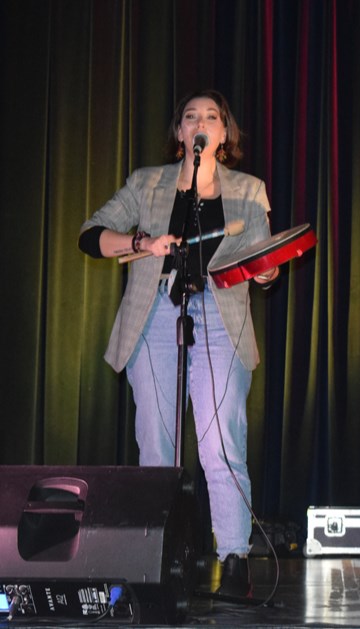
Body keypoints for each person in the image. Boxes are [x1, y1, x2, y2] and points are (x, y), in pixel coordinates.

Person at [79, 89, 279, 598]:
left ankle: (233, 556)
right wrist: (142, 243)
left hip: (220, 316)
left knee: (221, 441)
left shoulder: (250, 191)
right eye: (191, 117)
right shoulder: (146, 183)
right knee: (157, 438)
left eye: (211, 116)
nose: (201, 123)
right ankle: (157, 554)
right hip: (156, 314)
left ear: (225, 134)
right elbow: (91, 233)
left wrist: (267, 272)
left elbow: (264, 264)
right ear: (179, 134)